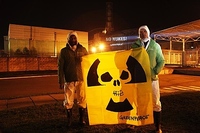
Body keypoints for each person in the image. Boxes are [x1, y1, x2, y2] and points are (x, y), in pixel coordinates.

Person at [130, 25, 165, 133]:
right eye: (140, 31)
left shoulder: (155, 46)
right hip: (139, 79)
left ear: (148, 32)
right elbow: (130, 60)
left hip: (152, 79)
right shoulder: (135, 45)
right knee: (136, 100)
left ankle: (157, 126)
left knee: (155, 101)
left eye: (144, 31)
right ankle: (134, 122)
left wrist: (154, 71)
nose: (142, 33)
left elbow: (161, 61)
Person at [58, 31, 88, 127]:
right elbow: (60, 67)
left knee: (82, 99)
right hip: (69, 79)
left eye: (74, 38)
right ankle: (69, 120)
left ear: (77, 39)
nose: (73, 40)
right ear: (68, 39)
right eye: (71, 38)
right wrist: (61, 80)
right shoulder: (64, 51)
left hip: (81, 78)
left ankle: (81, 119)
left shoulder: (83, 50)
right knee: (68, 100)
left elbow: (89, 62)